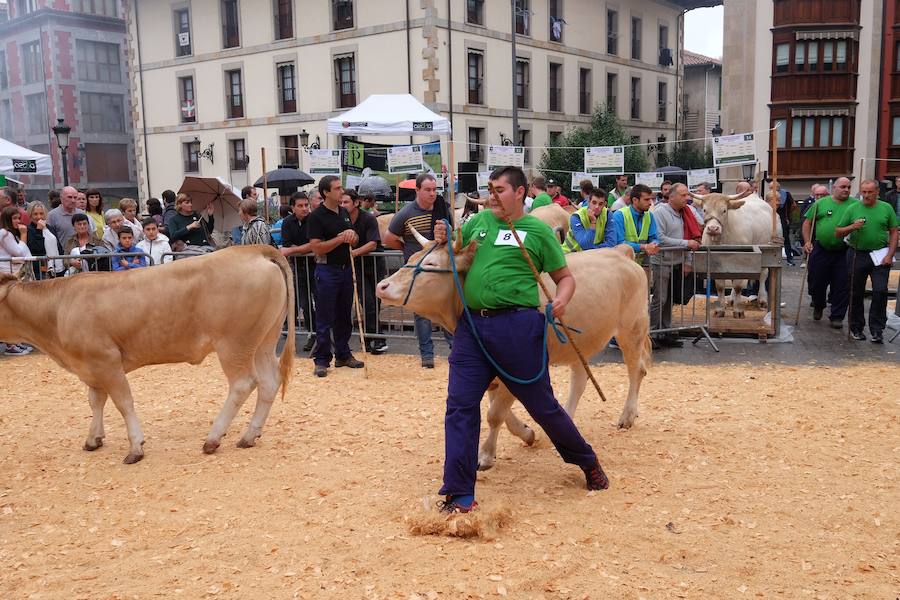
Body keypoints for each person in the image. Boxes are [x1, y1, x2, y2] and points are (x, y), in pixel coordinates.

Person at [431, 166, 609, 513]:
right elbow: (456, 251)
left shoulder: (538, 232)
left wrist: (561, 300)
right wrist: (444, 237)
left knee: (543, 408)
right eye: (489, 189)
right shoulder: (478, 224)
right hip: (472, 328)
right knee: (460, 406)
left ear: (521, 192)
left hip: (519, 328)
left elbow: (565, 277)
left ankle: (586, 460)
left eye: (500, 189)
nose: (492, 196)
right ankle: (459, 494)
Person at [384, 173, 453, 368]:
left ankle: (455, 350)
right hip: (417, 272)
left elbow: (453, 233)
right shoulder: (406, 213)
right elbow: (389, 237)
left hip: (439, 270)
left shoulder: (443, 208)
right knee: (422, 313)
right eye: (428, 190)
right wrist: (408, 251)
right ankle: (427, 356)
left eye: (434, 189)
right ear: (417, 190)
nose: (432, 194)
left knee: (446, 310)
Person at [307, 175, 365, 377]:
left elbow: (354, 239)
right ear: (326, 193)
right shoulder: (316, 217)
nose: (342, 191)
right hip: (327, 270)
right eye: (338, 188)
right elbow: (317, 248)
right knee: (324, 317)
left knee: (344, 315)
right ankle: (322, 360)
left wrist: (352, 237)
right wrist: (340, 238)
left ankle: (343, 353)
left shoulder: (344, 212)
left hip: (345, 269)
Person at [834, 179, 898, 343]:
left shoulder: (886, 208)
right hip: (857, 254)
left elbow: (893, 231)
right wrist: (852, 227)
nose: (867, 195)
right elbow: (838, 232)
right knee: (855, 292)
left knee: (880, 291)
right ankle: (856, 327)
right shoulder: (853, 208)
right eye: (864, 192)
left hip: (880, 255)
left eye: (870, 192)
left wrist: (890, 254)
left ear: (877, 192)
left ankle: (877, 330)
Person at [649, 183, 703, 347]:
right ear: (671, 197)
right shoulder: (660, 212)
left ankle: (665, 332)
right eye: (683, 195)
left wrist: (687, 261)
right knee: (660, 298)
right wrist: (686, 243)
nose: (687, 198)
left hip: (677, 262)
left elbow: (689, 237)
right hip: (662, 262)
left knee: (670, 299)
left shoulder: (685, 213)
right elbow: (660, 238)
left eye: (687, 195)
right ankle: (652, 333)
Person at [801, 180, 853, 328]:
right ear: (834, 188)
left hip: (844, 250)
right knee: (816, 281)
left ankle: (837, 316)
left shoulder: (855, 205)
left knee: (842, 284)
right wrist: (807, 241)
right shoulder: (820, 203)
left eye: (849, 187)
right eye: (843, 187)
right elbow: (807, 223)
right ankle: (818, 304)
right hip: (821, 248)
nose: (846, 190)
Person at [341, 189, 386, 355]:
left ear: (356, 203)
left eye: (346, 202)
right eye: (341, 202)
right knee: (366, 300)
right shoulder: (341, 219)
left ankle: (372, 338)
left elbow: (373, 244)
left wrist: (353, 253)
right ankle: (376, 338)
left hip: (373, 263)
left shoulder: (368, 218)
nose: (343, 206)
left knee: (375, 301)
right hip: (357, 266)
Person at [281, 191, 317, 352]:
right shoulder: (287, 222)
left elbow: (315, 245)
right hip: (298, 268)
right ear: (292, 208)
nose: (304, 209)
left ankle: (322, 332)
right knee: (304, 302)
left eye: (306, 205)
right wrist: (305, 249)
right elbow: (286, 247)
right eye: (300, 206)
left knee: (321, 300)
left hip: (317, 266)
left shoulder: (315, 220)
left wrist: (296, 249)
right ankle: (312, 333)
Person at [0, 205, 33, 356]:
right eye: (14, 218)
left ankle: (14, 342)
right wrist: (24, 234)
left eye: (18, 218)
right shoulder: (5, 234)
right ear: (7, 219)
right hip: (7, 274)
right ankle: (11, 345)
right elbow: (20, 252)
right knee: (9, 310)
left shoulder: (8, 234)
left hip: (11, 273)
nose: (18, 221)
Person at [611, 184, 660, 266]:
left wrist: (654, 244)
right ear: (635, 200)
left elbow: (654, 238)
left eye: (650, 199)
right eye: (646, 200)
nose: (650, 203)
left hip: (641, 265)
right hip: (622, 265)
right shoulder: (619, 215)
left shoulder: (649, 215)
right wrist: (644, 247)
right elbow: (620, 243)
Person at [561, 188, 615, 252]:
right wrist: (593, 222)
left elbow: (611, 242)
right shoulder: (576, 217)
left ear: (604, 204)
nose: (597, 207)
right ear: (589, 202)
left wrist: (594, 249)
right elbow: (585, 245)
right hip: (571, 253)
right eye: (594, 203)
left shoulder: (608, 214)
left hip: (593, 254)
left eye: (600, 204)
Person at [25, 201, 64, 279]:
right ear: (30, 215)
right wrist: (39, 230)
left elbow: (58, 246)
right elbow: (36, 249)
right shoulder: (28, 229)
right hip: (40, 270)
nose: (39, 217)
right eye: (35, 214)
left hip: (57, 267)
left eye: (41, 213)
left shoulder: (50, 228)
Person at [770, 181, 797, 265]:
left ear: (777, 188)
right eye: (770, 188)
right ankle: (773, 259)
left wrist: (788, 214)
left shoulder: (786, 194)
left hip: (783, 219)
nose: (770, 190)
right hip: (772, 218)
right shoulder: (770, 194)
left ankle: (789, 258)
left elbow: (794, 205)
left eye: (771, 188)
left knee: (785, 239)